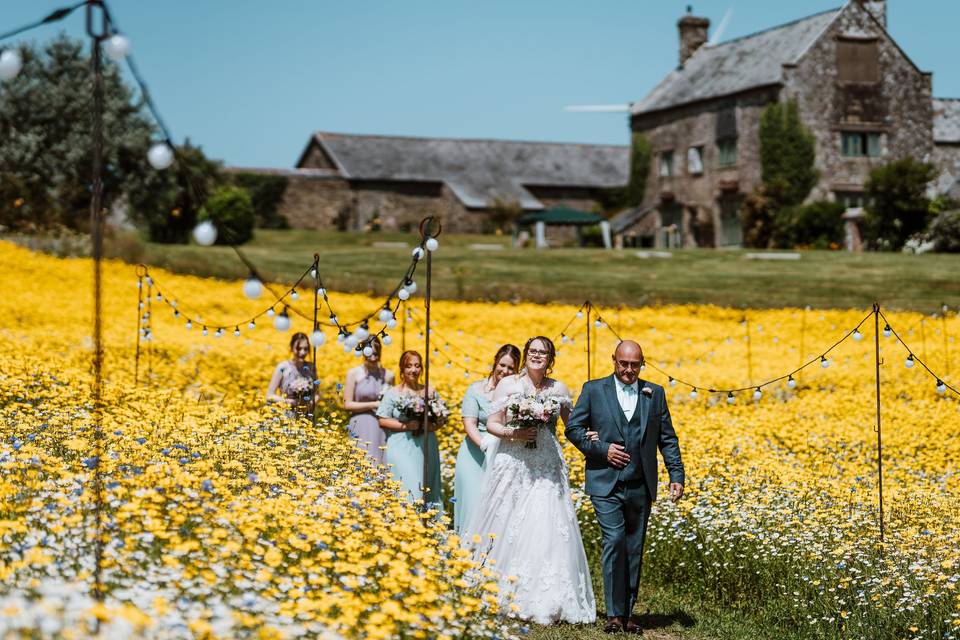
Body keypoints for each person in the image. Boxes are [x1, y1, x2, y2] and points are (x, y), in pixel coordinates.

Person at [461, 336, 596, 625]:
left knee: (547, 522)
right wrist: (513, 433)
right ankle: (499, 589)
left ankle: (549, 597)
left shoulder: (558, 388)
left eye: (543, 353)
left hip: (546, 462)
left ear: (550, 359)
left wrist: (590, 436)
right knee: (507, 521)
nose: (537, 356)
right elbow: (493, 423)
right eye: (533, 351)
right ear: (526, 355)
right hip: (513, 461)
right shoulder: (509, 384)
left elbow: (572, 424)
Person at [565, 340, 685, 635]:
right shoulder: (593, 389)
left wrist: (676, 475)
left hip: (640, 483)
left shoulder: (654, 393)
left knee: (634, 547)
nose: (629, 370)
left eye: (635, 364)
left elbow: (667, 438)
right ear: (614, 361)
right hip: (605, 481)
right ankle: (614, 613)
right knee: (615, 540)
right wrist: (602, 449)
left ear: (642, 363)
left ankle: (627, 613)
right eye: (624, 363)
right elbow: (573, 429)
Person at [454, 344, 520, 532]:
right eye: (502, 365)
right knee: (473, 502)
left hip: (503, 454)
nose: (505, 371)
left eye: (510, 368)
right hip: (474, 453)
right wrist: (485, 445)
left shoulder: (515, 393)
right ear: (495, 362)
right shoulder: (476, 389)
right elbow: (469, 424)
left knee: (498, 506)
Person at [376, 350, 445, 506]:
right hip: (401, 445)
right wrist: (406, 425)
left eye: (417, 366)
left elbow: (441, 419)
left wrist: (432, 426)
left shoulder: (430, 391)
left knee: (427, 488)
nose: (413, 370)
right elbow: (382, 419)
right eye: (409, 366)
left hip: (426, 444)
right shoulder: (393, 393)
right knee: (411, 487)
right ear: (402, 368)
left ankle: (426, 525)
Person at [343, 337, 394, 464]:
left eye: (376, 354)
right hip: (360, 423)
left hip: (381, 426)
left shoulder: (388, 375)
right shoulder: (353, 373)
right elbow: (347, 404)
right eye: (369, 354)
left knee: (381, 461)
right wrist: (374, 404)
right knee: (361, 462)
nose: (372, 358)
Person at [266, 332, 317, 416]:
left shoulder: (311, 367)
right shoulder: (283, 367)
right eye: (298, 348)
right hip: (286, 416)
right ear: (291, 348)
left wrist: (309, 403)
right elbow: (269, 395)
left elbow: (316, 394)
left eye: (306, 349)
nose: (302, 352)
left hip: (306, 416)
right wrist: (289, 402)